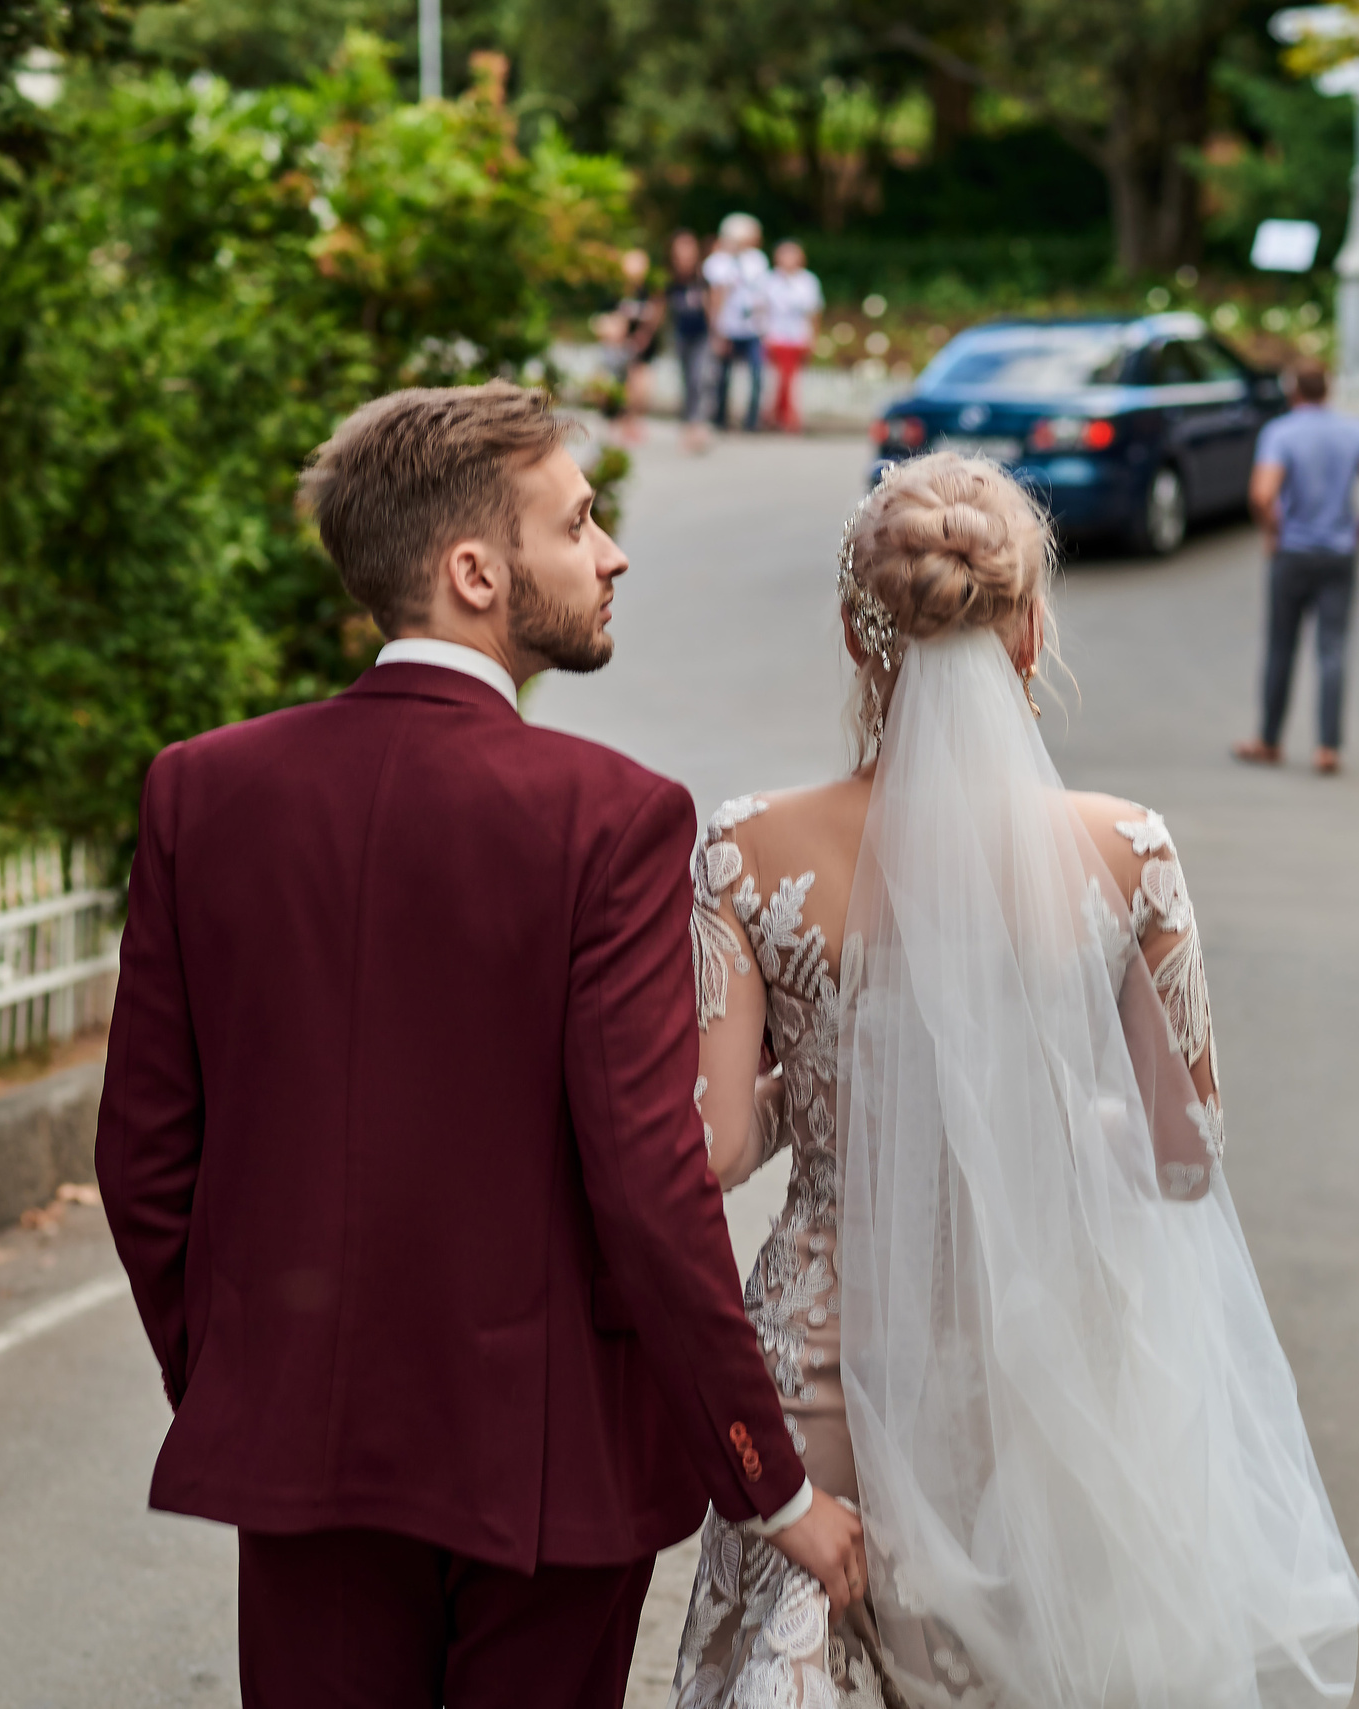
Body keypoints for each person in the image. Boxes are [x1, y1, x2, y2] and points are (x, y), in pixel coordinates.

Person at [96, 382, 865, 1708]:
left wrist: (245, 1382)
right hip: (549, 1477)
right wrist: (770, 1478)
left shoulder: (201, 789)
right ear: (474, 572)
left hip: (305, 1449)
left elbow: (144, 1156)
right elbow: (646, 1179)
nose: (611, 553)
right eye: (577, 526)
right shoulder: (609, 817)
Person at [672, 451, 1359, 1707]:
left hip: (822, 1364)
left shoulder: (741, 847)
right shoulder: (1128, 850)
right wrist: (1058, 1104)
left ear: (854, 630)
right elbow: (1183, 1151)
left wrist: (834, 1087)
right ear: (1031, 626)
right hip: (1043, 1369)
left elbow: (713, 1145)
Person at [1232, 362, 1359, 776]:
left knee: (1281, 647)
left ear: (1293, 392)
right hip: (1340, 554)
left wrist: (1273, 531)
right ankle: (1328, 747)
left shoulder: (1281, 433)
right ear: (1329, 390)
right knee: (1333, 649)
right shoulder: (1357, 431)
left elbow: (1261, 493)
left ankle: (1269, 740)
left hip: (1294, 554)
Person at [703, 212, 769, 432]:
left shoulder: (758, 260)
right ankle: (720, 417)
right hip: (727, 327)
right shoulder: (718, 262)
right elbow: (715, 296)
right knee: (723, 375)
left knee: (757, 374)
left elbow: (762, 292)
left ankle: (752, 420)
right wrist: (716, 329)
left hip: (753, 328)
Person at [593, 247, 662, 447]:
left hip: (640, 348)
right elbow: (601, 320)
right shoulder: (615, 292)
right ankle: (614, 421)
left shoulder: (649, 292)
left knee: (640, 388)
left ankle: (632, 421)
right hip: (617, 349)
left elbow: (654, 319)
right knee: (611, 387)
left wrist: (644, 337)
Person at [760, 239, 823, 433]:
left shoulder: (808, 281)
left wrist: (813, 338)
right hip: (775, 336)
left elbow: (814, 312)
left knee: (790, 380)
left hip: (797, 337)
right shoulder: (769, 280)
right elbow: (762, 310)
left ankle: (785, 418)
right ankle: (778, 417)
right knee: (777, 380)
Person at [664, 230, 715, 454]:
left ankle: (699, 423)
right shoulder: (670, 278)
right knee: (686, 380)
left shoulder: (703, 277)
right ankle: (688, 423)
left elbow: (712, 307)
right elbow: (661, 307)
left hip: (701, 336)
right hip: (681, 336)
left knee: (700, 378)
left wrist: (717, 334)